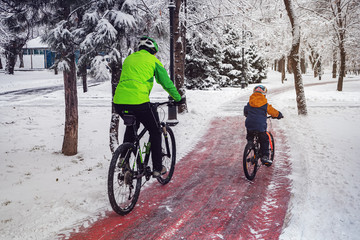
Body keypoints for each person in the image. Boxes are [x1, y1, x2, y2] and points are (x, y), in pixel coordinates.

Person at [113, 36, 185, 177]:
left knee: (131, 127)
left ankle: (124, 159)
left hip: (119, 102)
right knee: (155, 130)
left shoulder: (129, 59)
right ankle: (158, 167)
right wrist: (178, 98)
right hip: (139, 102)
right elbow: (166, 82)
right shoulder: (153, 60)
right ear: (153, 50)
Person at [243, 85, 283, 166]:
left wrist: (249, 114)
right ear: (264, 94)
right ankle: (265, 156)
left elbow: (245, 111)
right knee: (264, 139)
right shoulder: (265, 104)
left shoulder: (249, 103)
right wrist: (279, 115)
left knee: (250, 135)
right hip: (260, 125)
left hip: (249, 124)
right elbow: (273, 112)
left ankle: (250, 145)